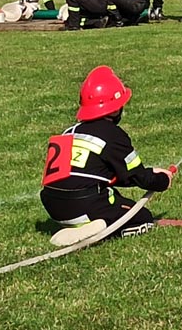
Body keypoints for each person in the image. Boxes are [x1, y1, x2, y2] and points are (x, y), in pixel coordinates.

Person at [41, 65, 174, 243]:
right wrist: (162, 180)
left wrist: (151, 172)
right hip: (85, 205)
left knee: (114, 196)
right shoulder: (113, 135)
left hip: (54, 208)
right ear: (115, 109)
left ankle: (79, 225)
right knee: (142, 217)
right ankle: (102, 227)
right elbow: (140, 178)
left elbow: (84, 176)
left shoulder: (69, 132)